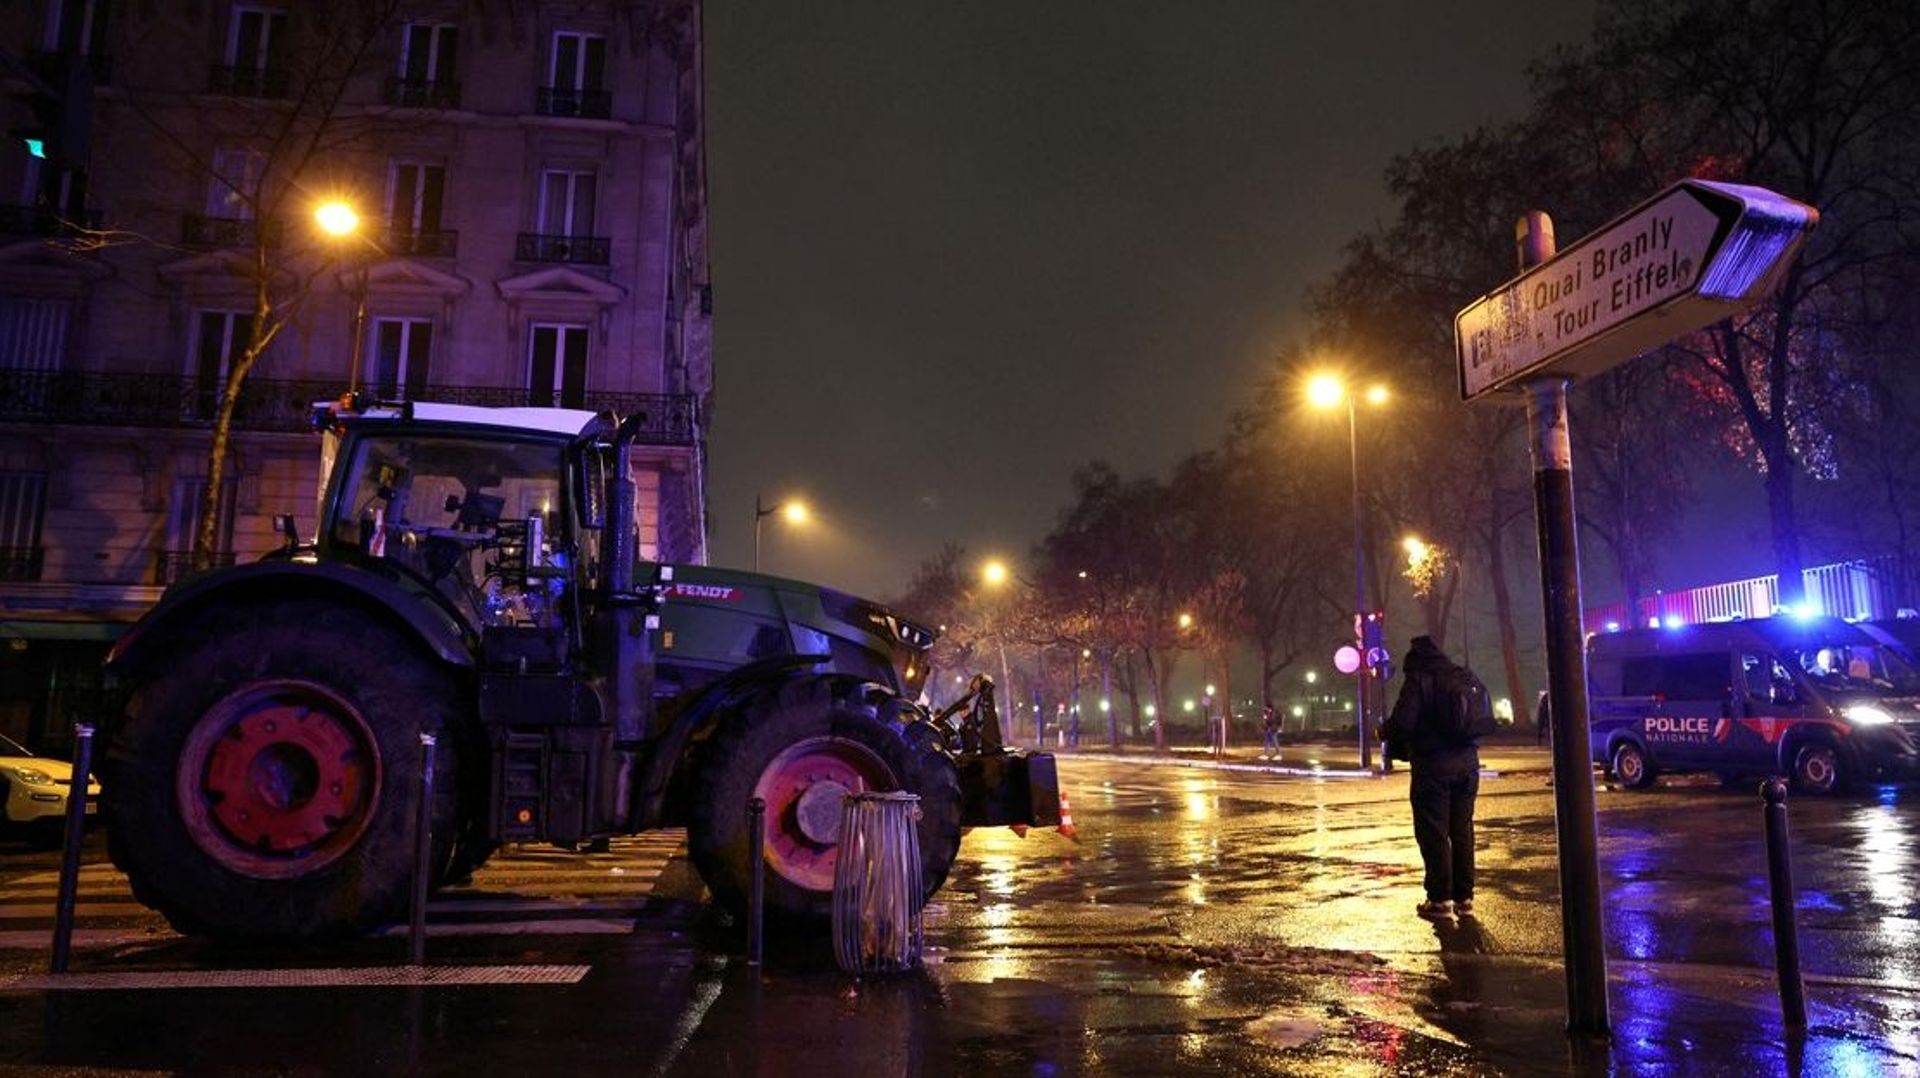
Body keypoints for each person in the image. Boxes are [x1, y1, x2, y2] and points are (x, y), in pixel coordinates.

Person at [1383, 635, 1484, 925]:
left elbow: (1403, 722)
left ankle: (1440, 899)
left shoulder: (1419, 679)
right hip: (1467, 765)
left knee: (1434, 832)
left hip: (1433, 767)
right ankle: (1464, 898)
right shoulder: (1458, 675)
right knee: (1462, 831)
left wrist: (1384, 732)